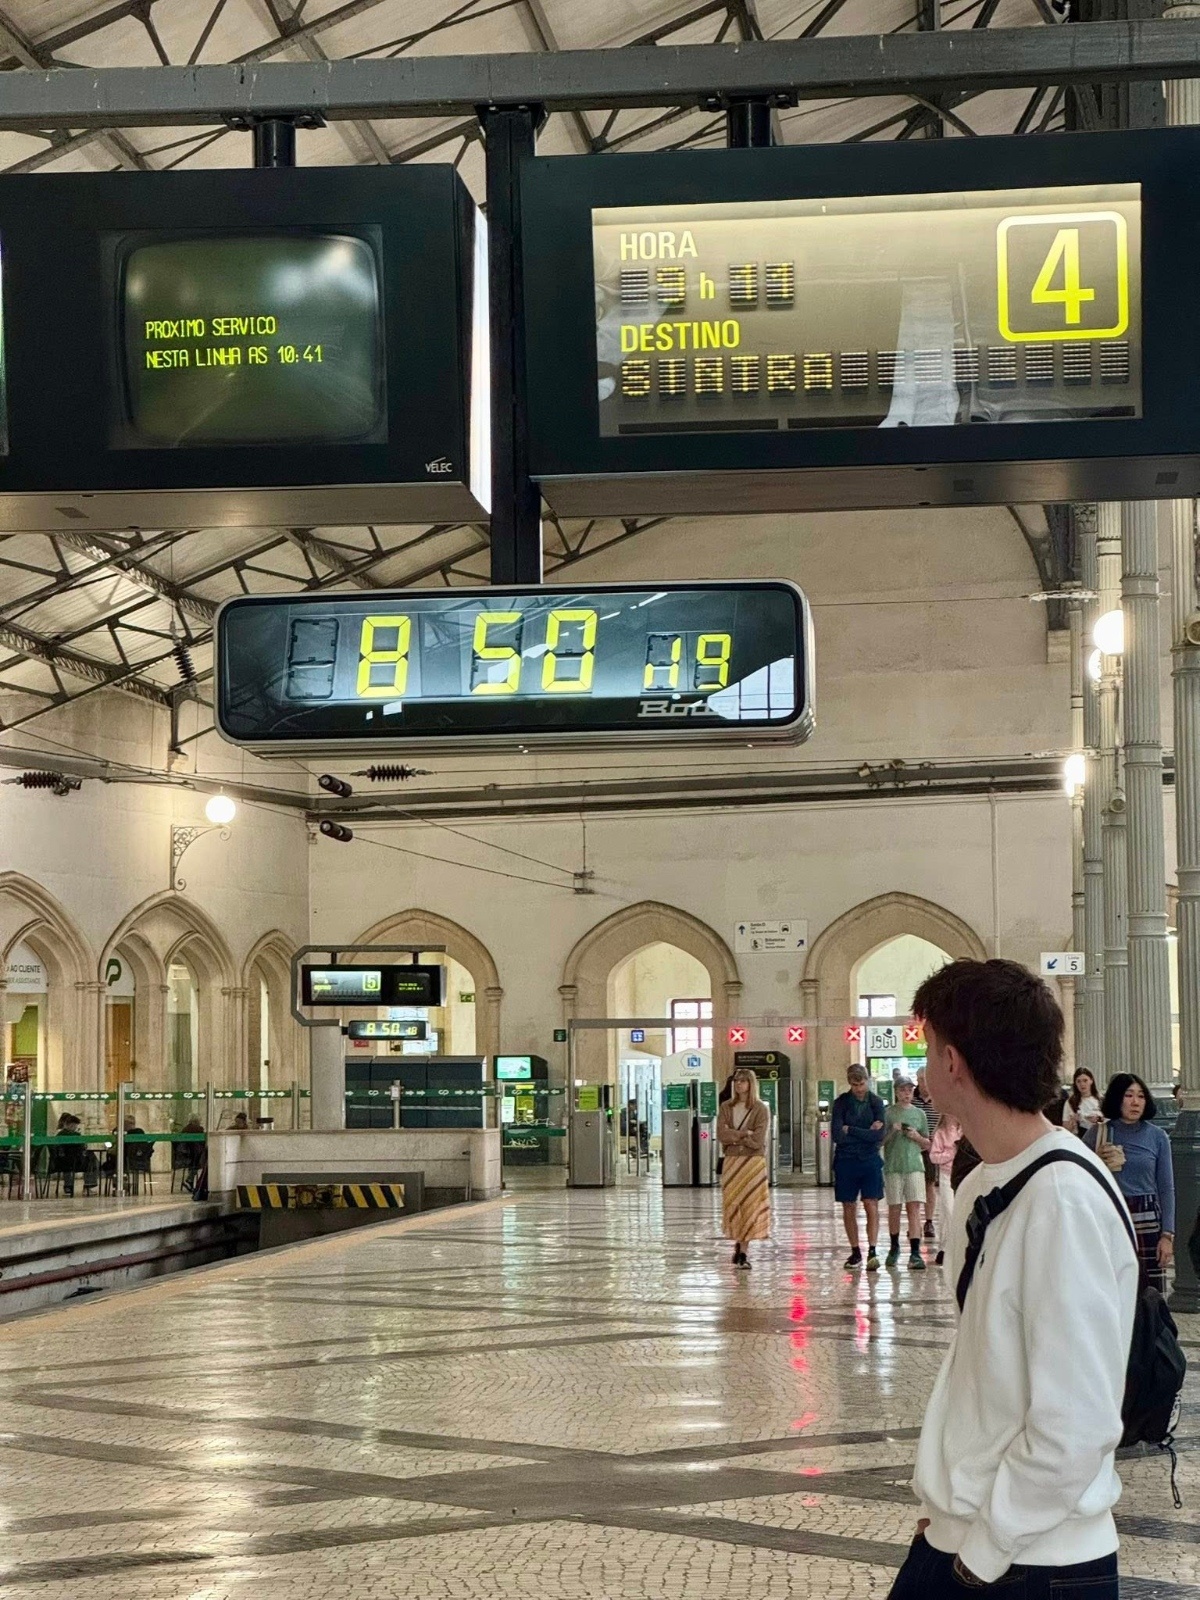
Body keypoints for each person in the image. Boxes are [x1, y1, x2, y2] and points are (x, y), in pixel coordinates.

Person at [888, 959, 1138, 1600]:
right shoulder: (984, 1182)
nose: (924, 1065)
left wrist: (985, 1548)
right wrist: (947, 1511)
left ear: (953, 1062)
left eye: (928, 1046)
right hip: (967, 1540)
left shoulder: (1061, 1200)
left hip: (1031, 1564)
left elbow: (1076, 1421)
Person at [1086, 1072, 1175, 1295]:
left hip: (1147, 1218)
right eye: (1129, 1095)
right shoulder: (1098, 1134)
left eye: (1141, 1096)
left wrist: (1167, 1235)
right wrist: (1097, 1160)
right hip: (1110, 1215)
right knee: (1111, 1288)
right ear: (1117, 1098)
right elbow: (1076, 1176)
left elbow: (1166, 1187)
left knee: (1149, 1293)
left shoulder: (1157, 1137)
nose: (1135, 1102)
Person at [831, 1064, 885, 1271]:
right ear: (849, 1084)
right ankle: (855, 1250)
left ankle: (872, 1248)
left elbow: (878, 1136)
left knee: (871, 1203)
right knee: (848, 1205)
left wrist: (851, 1129)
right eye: (855, 1085)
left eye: (862, 1084)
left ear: (867, 1081)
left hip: (869, 1159)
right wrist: (866, 1132)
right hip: (846, 1160)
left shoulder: (876, 1102)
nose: (859, 1089)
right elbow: (837, 1135)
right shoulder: (841, 1103)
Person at [716, 1067, 770, 1269]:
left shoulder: (760, 1108)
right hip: (732, 1161)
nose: (739, 1084)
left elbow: (758, 1140)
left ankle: (744, 1251)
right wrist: (745, 1134)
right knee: (733, 1202)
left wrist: (736, 1136)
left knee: (750, 1204)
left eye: (743, 1081)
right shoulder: (726, 1107)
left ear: (751, 1084)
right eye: (736, 1081)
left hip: (753, 1162)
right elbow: (722, 1135)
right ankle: (738, 1241)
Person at [884, 1076, 930, 1269]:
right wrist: (893, 1131)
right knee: (894, 1207)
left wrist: (916, 1136)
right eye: (902, 1090)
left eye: (909, 1090)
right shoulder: (888, 1113)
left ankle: (915, 1251)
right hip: (894, 1166)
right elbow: (880, 1141)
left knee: (914, 1208)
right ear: (896, 1092)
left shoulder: (920, 1114)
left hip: (914, 1166)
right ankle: (894, 1246)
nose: (906, 1094)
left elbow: (927, 1143)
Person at [927, 1110, 961, 1268]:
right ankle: (945, 1247)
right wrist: (950, 1154)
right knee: (948, 1210)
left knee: (959, 1210)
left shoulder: (964, 1130)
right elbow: (934, 1157)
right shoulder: (940, 1133)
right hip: (947, 1175)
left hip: (962, 1174)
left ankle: (957, 1247)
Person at [913, 1068, 940, 1239]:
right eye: (921, 1079)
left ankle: (929, 1221)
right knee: (914, 1185)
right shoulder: (912, 1100)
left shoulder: (938, 1099)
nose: (924, 1083)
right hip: (913, 1148)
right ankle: (914, 1222)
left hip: (930, 1148)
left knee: (929, 1184)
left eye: (926, 1079)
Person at [1064, 1067, 1103, 1138]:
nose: (1082, 1084)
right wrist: (1074, 1121)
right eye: (1078, 1081)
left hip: (1098, 1137)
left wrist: (1099, 1119)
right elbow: (1066, 1129)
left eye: (1085, 1080)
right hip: (1079, 1138)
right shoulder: (1071, 1102)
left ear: (1091, 1081)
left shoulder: (1101, 1100)